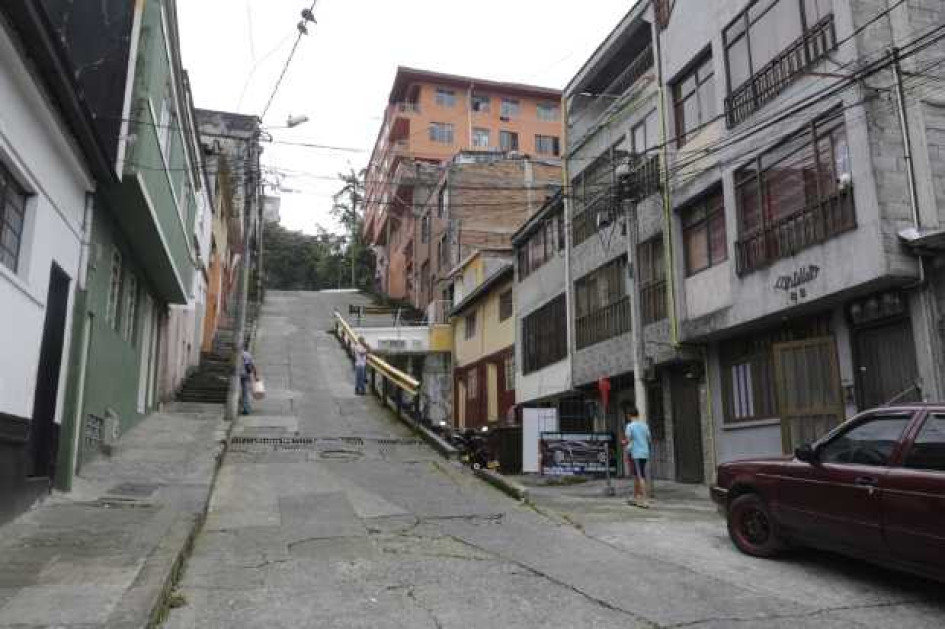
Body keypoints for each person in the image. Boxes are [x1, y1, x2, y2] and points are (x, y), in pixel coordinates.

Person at [622, 405, 652, 508]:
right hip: (645, 453)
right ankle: (635, 498)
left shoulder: (630, 426)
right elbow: (649, 440)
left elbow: (628, 440)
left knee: (640, 476)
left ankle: (645, 500)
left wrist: (624, 442)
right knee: (636, 476)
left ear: (629, 415)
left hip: (636, 454)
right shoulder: (645, 425)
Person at [240, 345, 257, 415]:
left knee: (243, 392)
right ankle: (246, 408)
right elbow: (253, 366)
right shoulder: (247, 354)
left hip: (238, 375)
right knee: (246, 392)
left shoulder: (236, 354)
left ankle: (245, 407)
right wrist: (256, 375)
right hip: (246, 374)